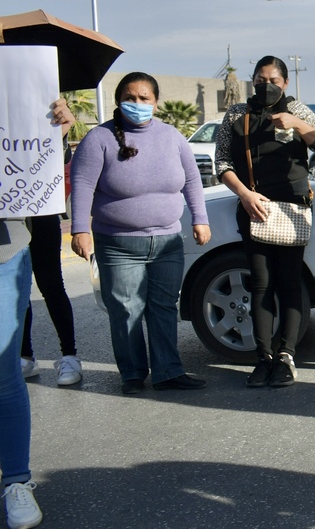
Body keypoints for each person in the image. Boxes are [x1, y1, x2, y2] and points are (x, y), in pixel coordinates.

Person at [69, 73, 211, 395]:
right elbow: (82, 185)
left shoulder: (172, 137)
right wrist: (80, 228)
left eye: (144, 98)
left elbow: (192, 181)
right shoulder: (100, 138)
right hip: (118, 243)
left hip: (167, 241)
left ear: (155, 103)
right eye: (130, 98)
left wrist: (200, 219)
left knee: (163, 307)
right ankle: (132, 373)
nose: (137, 104)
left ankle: (167, 372)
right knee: (125, 309)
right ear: (119, 101)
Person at [214, 56, 315, 388]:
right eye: (260, 79)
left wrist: (297, 125)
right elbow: (222, 160)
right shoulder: (237, 114)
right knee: (261, 283)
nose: (266, 85)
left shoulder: (299, 110)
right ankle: (263, 357)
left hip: (293, 207)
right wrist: (244, 195)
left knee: (289, 282)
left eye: (273, 79)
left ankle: (287, 356)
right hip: (254, 207)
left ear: (285, 83)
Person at [2, 98, 73, 529]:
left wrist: (53, 135)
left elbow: (30, 168)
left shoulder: (13, 98)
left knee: (4, 373)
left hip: (4, 248)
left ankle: (15, 480)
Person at [21, 123, 81, 387]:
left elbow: (62, 158)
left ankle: (69, 356)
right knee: (16, 291)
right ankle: (24, 357)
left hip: (42, 213)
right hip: (8, 218)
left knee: (52, 286)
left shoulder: (38, 115)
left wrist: (62, 131)